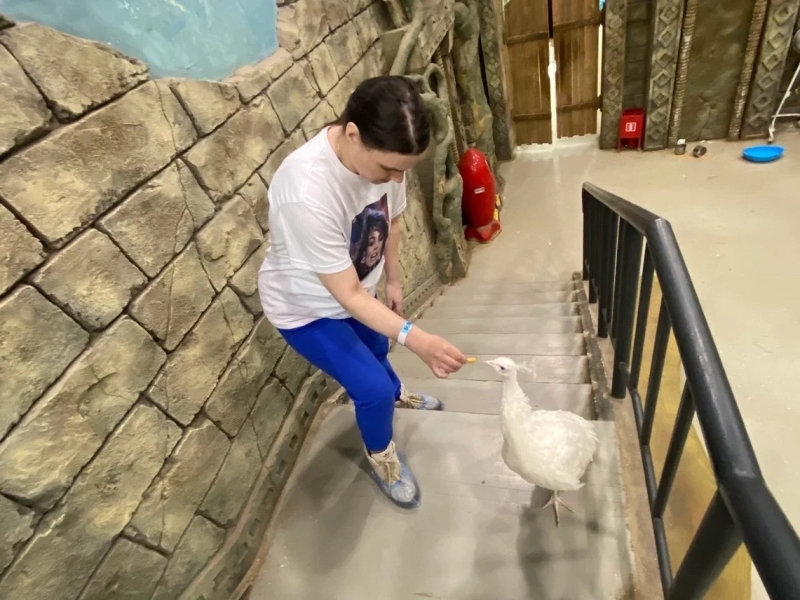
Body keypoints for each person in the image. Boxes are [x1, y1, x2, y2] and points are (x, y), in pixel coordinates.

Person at [257, 75, 467, 509]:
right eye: (388, 169)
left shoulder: (390, 159)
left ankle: (396, 393)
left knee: (377, 349)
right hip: (308, 309)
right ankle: (382, 455)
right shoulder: (306, 191)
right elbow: (348, 296)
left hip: (356, 291)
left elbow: (392, 219)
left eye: (403, 170)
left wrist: (392, 280)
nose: (396, 178)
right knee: (370, 389)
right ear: (352, 133)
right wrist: (417, 337)